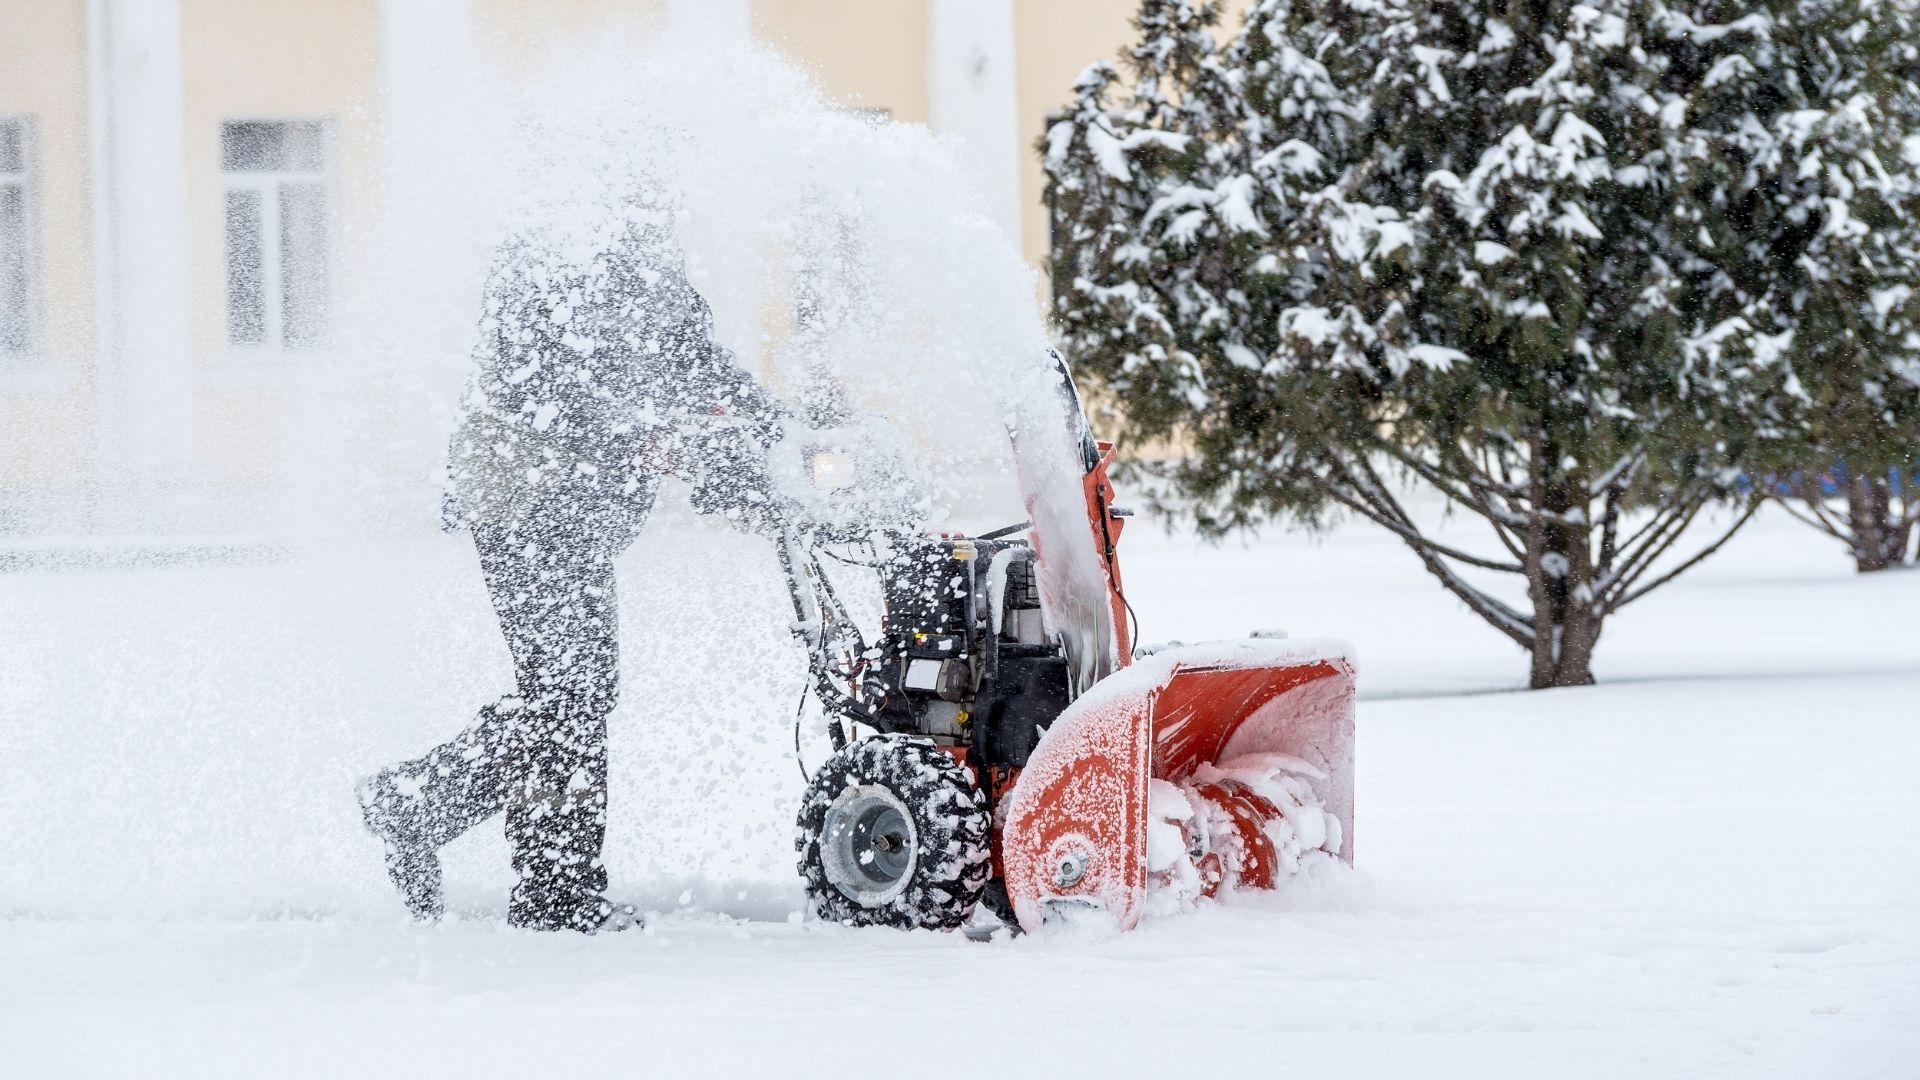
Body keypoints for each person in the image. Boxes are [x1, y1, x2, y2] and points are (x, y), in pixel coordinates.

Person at [355, 215, 786, 933]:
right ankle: (543, 884)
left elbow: (698, 362)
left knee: (572, 696)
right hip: (524, 503)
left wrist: (787, 433)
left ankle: (429, 811)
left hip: (579, 518)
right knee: (569, 696)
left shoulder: (647, 257)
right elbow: (541, 379)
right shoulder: (545, 249)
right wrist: (643, 431)